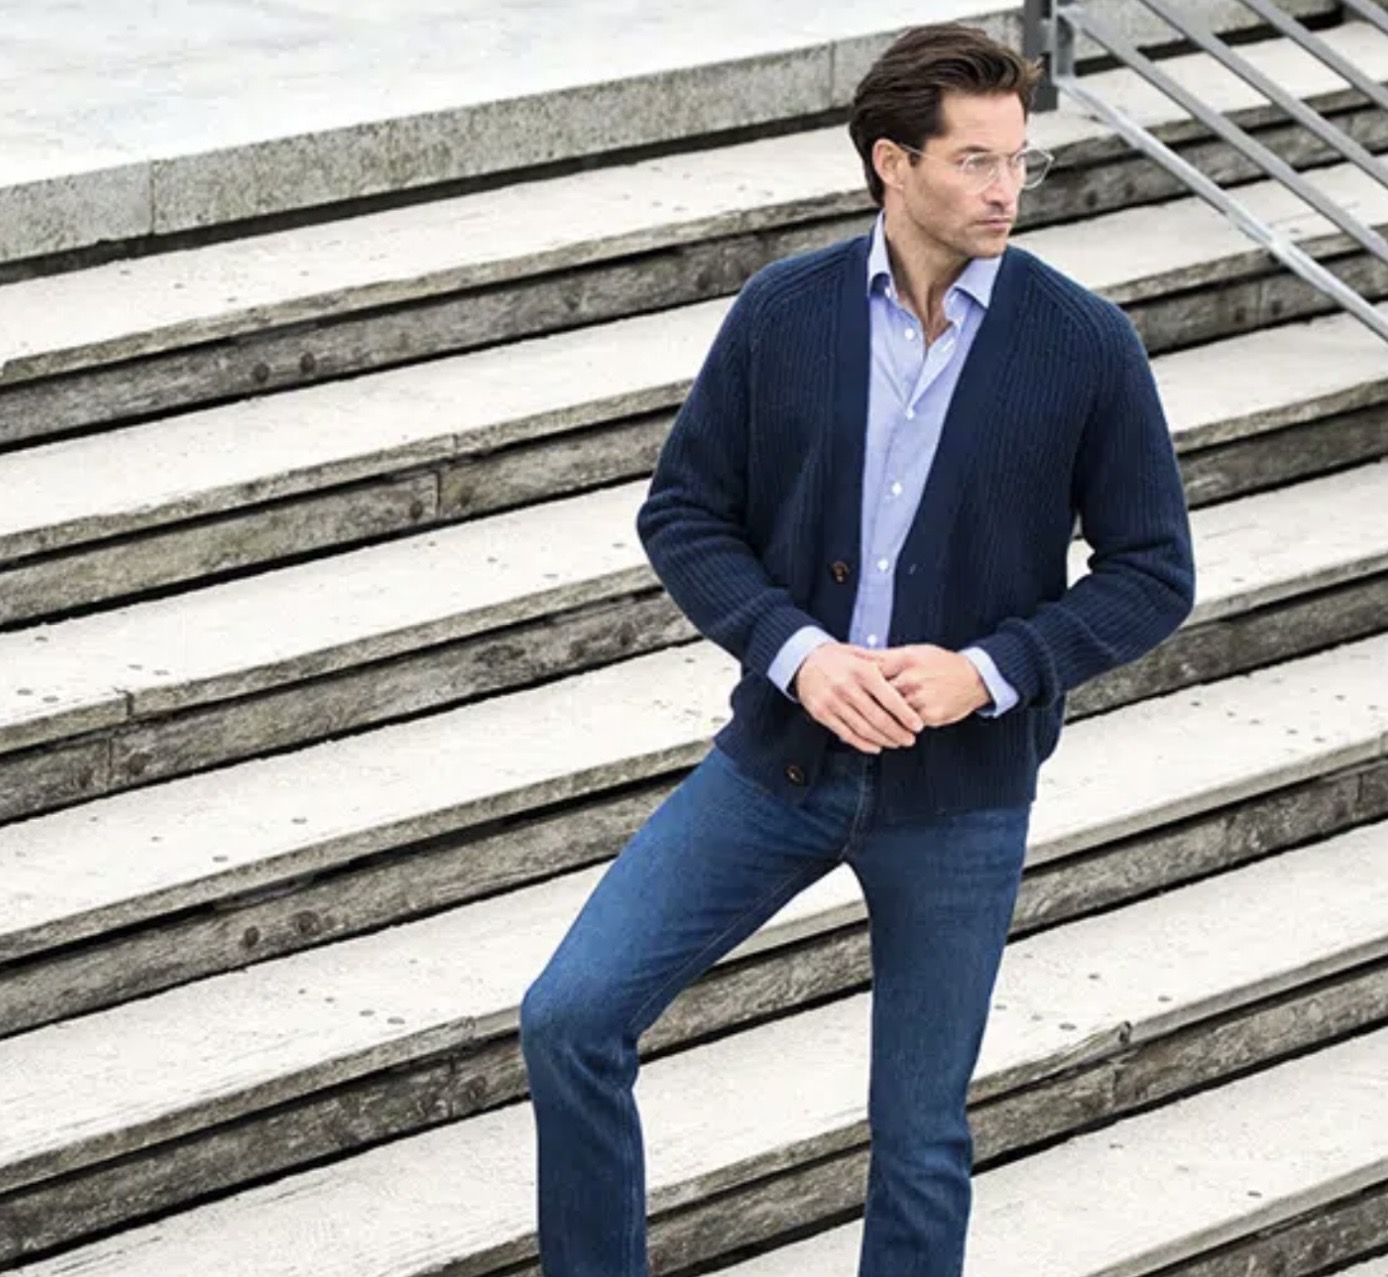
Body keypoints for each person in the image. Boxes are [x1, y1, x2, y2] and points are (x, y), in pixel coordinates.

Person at [519, 21, 1195, 1276]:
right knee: (570, 1014)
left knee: (920, 1136)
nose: (1004, 189)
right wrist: (797, 652)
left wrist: (985, 671)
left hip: (959, 796)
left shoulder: (1082, 342)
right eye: (975, 160)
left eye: (1019, 160)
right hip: (780, 761)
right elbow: (684, 511)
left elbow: (1152, 571)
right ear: (892, 162)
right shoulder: (785, 312)